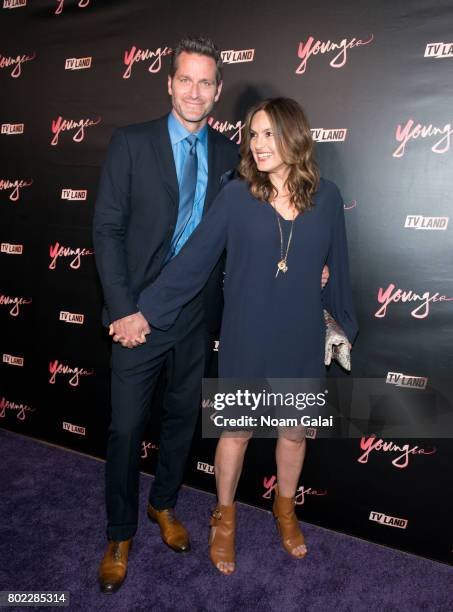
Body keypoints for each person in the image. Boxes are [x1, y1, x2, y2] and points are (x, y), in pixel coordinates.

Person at [137, 97, 359, 575]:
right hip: (245, 334)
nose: (258, 145)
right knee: (235, 432)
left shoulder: (329, 198)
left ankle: (285, 510)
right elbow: (195, 259)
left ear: (294, 137)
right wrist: (146, 311)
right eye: (253, 135)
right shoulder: (237, 195)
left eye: (268, 134)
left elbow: (338, 265)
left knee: (294, 434)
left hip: (300, 336)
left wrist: (341, 321)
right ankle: (225, 519)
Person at [92, 36, 240, 593]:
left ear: (218, 91)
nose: (195, 91)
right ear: (169, 82)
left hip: (196, 316)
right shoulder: (131, 143)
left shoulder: (230, 155)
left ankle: (164, 505)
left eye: (206, 82)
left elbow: (248, 228)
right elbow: (106, 229)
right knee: (127, 428)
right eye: (186, 79)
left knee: (181, 421)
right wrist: (125, 309)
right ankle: (120, 530)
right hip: (136, 318)